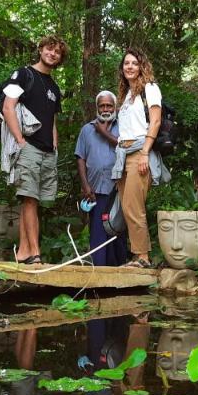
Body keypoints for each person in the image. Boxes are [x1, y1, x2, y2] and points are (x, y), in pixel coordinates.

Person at [1, 36, 66, 264]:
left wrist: (55, 145)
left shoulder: (54, 88)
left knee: (33, 201)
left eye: (57, 52)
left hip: (48, 151)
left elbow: (53, 119)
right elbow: (8, 107)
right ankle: (35, 254)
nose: (52, 54)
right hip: (28, 146)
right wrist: (20, 140)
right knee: (29, 198)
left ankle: (23, 253)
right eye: (49, 49)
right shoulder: (24, 74)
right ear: (41, 49)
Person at [110, 48, 170, 268]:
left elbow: (154, 122)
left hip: (139, 152)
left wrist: (145, 152)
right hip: (123, 154)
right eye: (126, 63)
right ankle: (137, 255)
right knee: (126, 207)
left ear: (141, 66)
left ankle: (143, 257)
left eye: (134, 63)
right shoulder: (125, 95)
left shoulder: (150, 89)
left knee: (134, 206)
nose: (130, 67)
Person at [74, 90, 128, 267]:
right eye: (102, 106)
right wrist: (85, 185)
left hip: (118, 189)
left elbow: (125, 147)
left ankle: (118, 271)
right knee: (97, 232)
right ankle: (98, 272)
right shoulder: (87, 129)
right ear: (97, 108)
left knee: (117, 230)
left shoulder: (124, 127)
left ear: (115, 107)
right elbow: (80, 157)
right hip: (95, 190)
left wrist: (104, 132)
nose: (106, 109)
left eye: (109, 105)